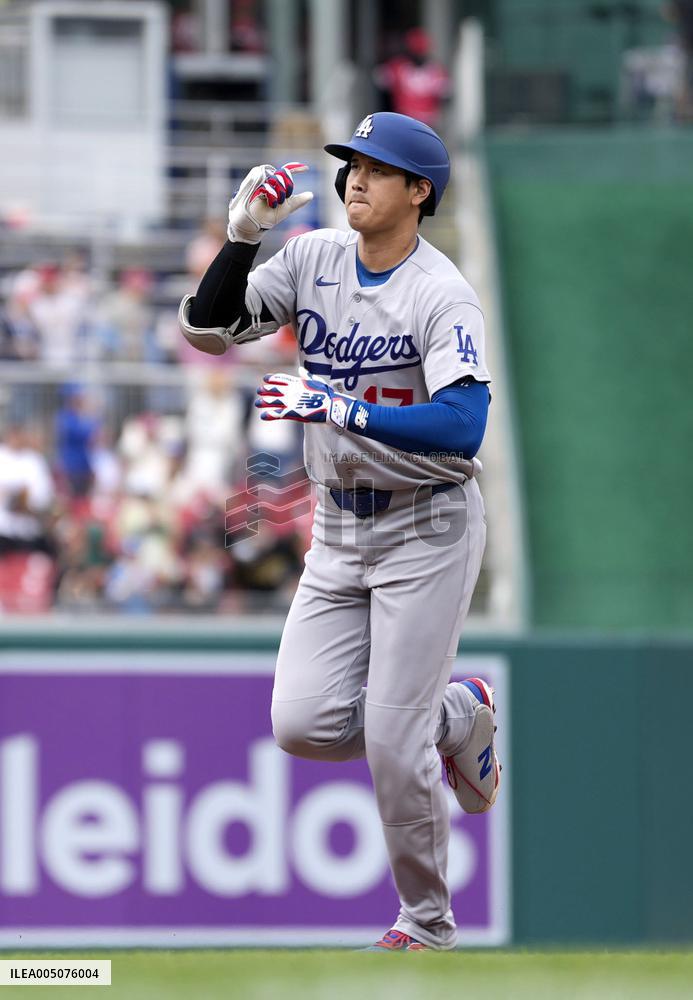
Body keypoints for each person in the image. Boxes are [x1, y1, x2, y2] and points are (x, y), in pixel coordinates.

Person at [178, 112, 501, 951]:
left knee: (392, 742)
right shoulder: (314, 256)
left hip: (426, 523)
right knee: (301, 723)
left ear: (419, 191)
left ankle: (425, 926)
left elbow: (463, 424)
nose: (356, 177)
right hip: (337, 525)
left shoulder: (439, 291)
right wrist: (241, 238)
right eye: (352, 163)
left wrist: (339, 405)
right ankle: (456, 716)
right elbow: (209, 330)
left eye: (377, 168)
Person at [374, 28, 450, 128]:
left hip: (428, 123)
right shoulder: (397, 67)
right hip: (403, 120)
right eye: (414, 52)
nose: (417, 56)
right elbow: (379, 82)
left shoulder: (436, 71)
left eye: (420, 52)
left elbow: (446, 96)